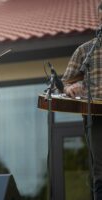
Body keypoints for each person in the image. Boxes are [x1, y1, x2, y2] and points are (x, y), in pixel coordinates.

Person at [61, 2, 102, 199]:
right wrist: (72, 88)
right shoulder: (86, 50)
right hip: (96, 115)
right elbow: (66, 82)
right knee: (100, 170)